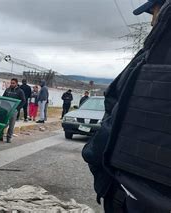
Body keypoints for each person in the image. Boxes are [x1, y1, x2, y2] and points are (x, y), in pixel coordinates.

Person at [83, 0, 171, 211]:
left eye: (154, 13)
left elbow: (117, 114)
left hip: (135, 193)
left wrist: (92, 154)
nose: (151, 23)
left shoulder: (154, 60)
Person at [2, 78, 26, 143]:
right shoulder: (7, 90)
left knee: (11, 125)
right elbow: (3, 98)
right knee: (4, 123)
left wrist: (17, 108)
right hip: (6, 110)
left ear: (16, 83)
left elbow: (23, 101)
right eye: (11, 83)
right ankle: (0, 135)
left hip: (14, 110)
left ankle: (8, 138)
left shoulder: (20, 91)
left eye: (13, 83)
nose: (12, 84)